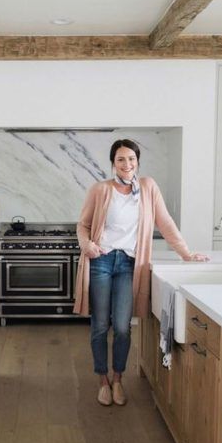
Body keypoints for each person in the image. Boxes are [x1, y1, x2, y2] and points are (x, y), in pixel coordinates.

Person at [73, 138, 208, 407]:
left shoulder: (147, 188)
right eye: (121, 159)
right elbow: (83, 224)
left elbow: (165, 223)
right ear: (113, 162)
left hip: (128, 265)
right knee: (100, 325)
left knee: (122, 327)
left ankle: (118, 378)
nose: (127, 164)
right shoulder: (101, 189)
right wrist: (87, 245)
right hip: (101, 261)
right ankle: (103, 380)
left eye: (131, 159)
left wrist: (186, 253)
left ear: (138, 162)